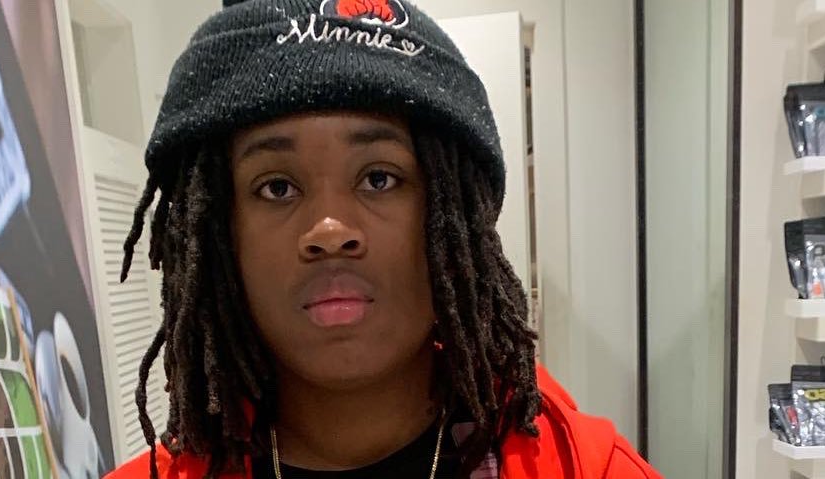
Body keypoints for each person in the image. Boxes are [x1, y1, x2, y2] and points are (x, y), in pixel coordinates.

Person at [107, 0, 662, 477]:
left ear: (454, 220)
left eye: (379, 178)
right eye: (277, 187)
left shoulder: (589, 467)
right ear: (219, 237)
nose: (330, 232)